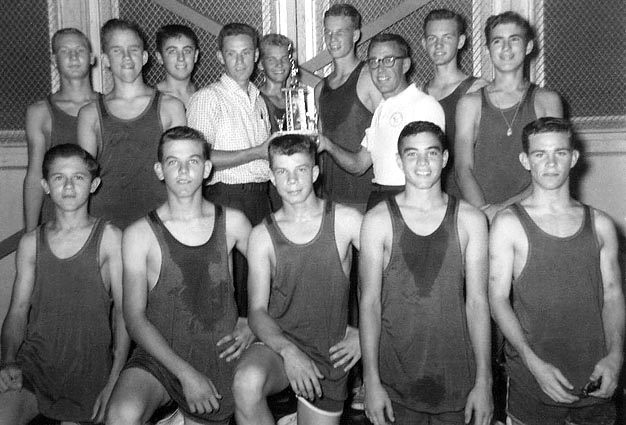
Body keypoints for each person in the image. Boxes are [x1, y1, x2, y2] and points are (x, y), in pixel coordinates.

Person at [105, 126, 255, 425]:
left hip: (218, 355)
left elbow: (278, 277)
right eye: (173, 162)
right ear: (160, 170)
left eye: (193, 161)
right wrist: (184, 372)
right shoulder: (139, 234)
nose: (184, 171)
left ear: (207, 168)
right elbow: (134, 317)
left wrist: (254, 321)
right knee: (121, 415)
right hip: (160, 356)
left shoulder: (234, 223)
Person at [489, 117, 625, 425]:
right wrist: (532, 362)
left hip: (595, 380)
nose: (550, 163)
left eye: (559, 153)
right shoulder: (508, 224)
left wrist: (616, 355)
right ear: (526, 160)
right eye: (540, 154)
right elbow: (497, 300)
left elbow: (613, 296)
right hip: (533, 382)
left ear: (573, 158)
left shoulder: (601, 224)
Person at [359, 121, 492, 425]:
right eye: (412, 154)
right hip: (395, 383)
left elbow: (478, 304)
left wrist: (484, 382)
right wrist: (371, 381)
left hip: (457, 381)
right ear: (398, 160)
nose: (422, 163)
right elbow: (369, 304)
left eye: (431, 153)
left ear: (445, 159)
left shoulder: (471, 220)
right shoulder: (377, 220)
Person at [233, 134, 363, 425]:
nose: (291, 180)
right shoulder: (262, 235)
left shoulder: (346, 220)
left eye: (300, 170)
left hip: (329, 352)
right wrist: (288, 351)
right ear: (272, 177)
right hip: (279, 344)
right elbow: (256, 312)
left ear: (315, 173)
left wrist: (361, 331)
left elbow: (391, 275)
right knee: (245, 383)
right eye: (282, 171)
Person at [0, 144, 128, 424]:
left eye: (78, 178)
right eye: (59, 178)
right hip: (35, 369)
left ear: (94, 184)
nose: (68, 186)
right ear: (45, 185)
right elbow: (18, 312)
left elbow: (123, 314)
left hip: (92, 372)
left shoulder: (110, 238)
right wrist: (8, 360)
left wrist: (116, 379)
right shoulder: (31, 242)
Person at [187, 22, 272, 316]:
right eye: (232, 54)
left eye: (246, 53)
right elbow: (199, 156)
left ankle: (257, 355)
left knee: (259, 282)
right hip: (226, 197)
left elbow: (266, 157)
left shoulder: (258, 99)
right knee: (227, 287)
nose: (240, 61)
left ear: (256, 55)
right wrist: (256, 153)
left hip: (261, 197)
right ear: (220, 57)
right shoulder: (207, 98)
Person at [78, 18, 186, 229]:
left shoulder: (170, 107)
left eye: (133, 49)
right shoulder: (90, 114)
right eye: (117, 51)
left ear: (144, 56)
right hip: (106, 221)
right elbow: (82, 176)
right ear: (106, 59)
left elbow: (180, 170)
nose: (127, 57)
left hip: (159, 219)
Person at [318, 33, 445, 210]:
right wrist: (326, 144)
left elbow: (430, 172)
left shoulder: (424, 105)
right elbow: (359, 165)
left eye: (388, 60)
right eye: (374, 62)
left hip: (409, 202)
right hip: (379, 196)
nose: (380, 69)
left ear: (405, 65)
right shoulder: (381, 110)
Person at [455, 11, 563, 220]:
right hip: (482, 212)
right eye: (498, 41)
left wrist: (506, 210)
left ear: (528, 46)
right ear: (487, 50)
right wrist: (484, 212)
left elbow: (555, 165)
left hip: (534, 211)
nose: (506, 48)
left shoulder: (547, 100)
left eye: (514, 40)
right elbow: (462, 168)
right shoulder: (470, 103)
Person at [23, 28, 99, 231]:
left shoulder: (108, 105)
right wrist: (30, 234)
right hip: (58, 218)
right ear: (54, 59)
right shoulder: (40, 112)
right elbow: (34, 175)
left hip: (102, 215)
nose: (74, 56)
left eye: (80, 50)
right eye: (65, 51)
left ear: (91, 58)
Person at [315, 3, 382, 210]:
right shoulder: (320, 88)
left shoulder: (370, 78)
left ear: (355, 35)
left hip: (364, 198)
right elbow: (318, 142)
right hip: (328, 198)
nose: (332, 39)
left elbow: (388, 138)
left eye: (340, 33)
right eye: (328, 32)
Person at [421, 9, 487, 198]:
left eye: (447, 37)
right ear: (424, 43)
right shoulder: (419, 93)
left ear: (460, 41)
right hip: (430, 195)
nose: (439, 45)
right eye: (432, 38)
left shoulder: (479, 90)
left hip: (470, 194)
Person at [155, 24, 200, 108]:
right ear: (160, 57)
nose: (181, 58)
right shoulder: (151, 100)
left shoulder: (205, 97)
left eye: (187, 51)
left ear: (196, 55)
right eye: (172, 51)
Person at [258, 33, 291, 134]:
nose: (279, 64)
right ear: (261, 64)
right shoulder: (256, 100)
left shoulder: (295, 99)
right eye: (272, 60)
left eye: (284, 58)